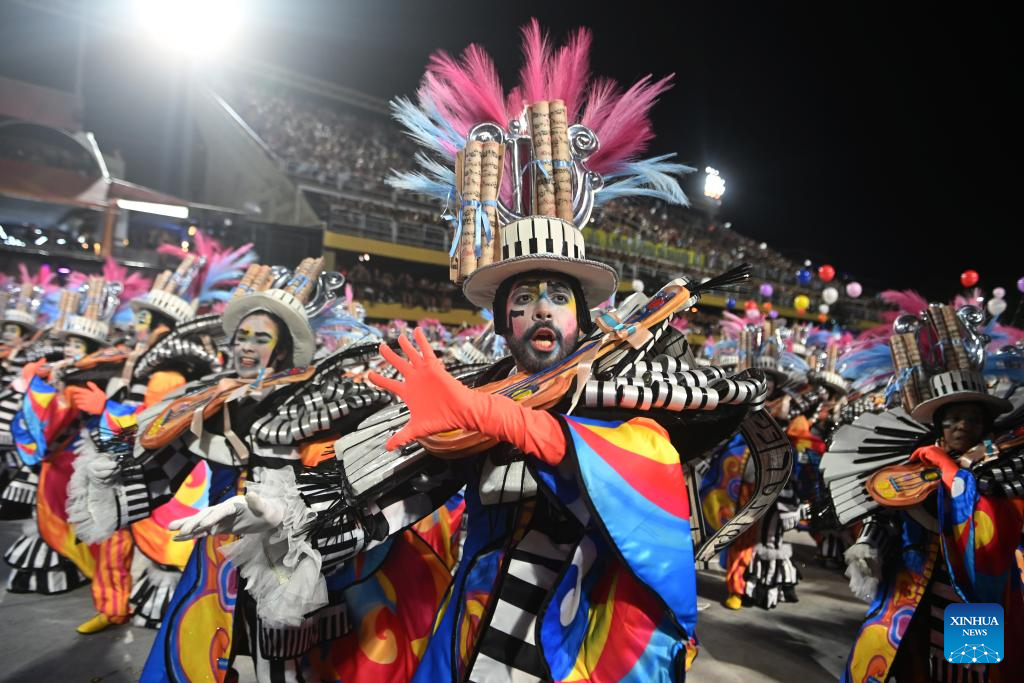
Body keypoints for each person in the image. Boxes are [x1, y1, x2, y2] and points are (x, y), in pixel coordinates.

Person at [832, 303, 1024, 682]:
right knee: (903, 663)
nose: (961, 426)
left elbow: (995, 534)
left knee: (969, 672)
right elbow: (886, 510)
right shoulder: (912, 467)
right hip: (911, 589)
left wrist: (952, 470)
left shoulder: (1004, 467)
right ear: (939, 425)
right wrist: (869, 544)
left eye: (972, 418)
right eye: (951, 418)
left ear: (985, 425)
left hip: (973, 598)